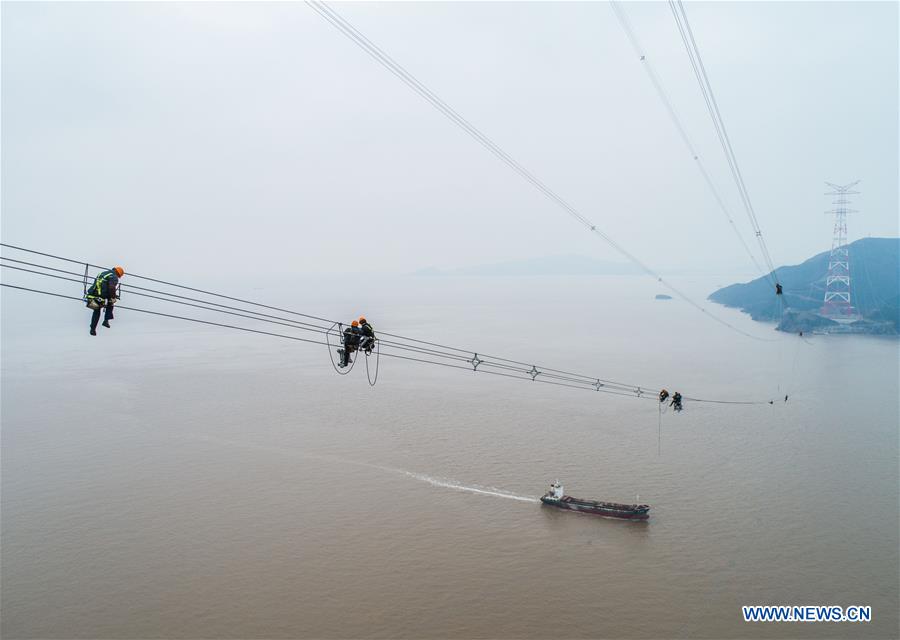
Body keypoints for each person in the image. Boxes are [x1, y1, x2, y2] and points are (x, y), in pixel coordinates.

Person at [86, 266, 124, 336]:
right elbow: (111, 288)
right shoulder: (113, 276)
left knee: (96, 311)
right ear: (118, 274)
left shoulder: (103, 273)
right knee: (111, 302)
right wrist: (113, 297)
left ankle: (93, 329)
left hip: (93, 294)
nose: (118, 278)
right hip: (102, 295)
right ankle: (106, 320)